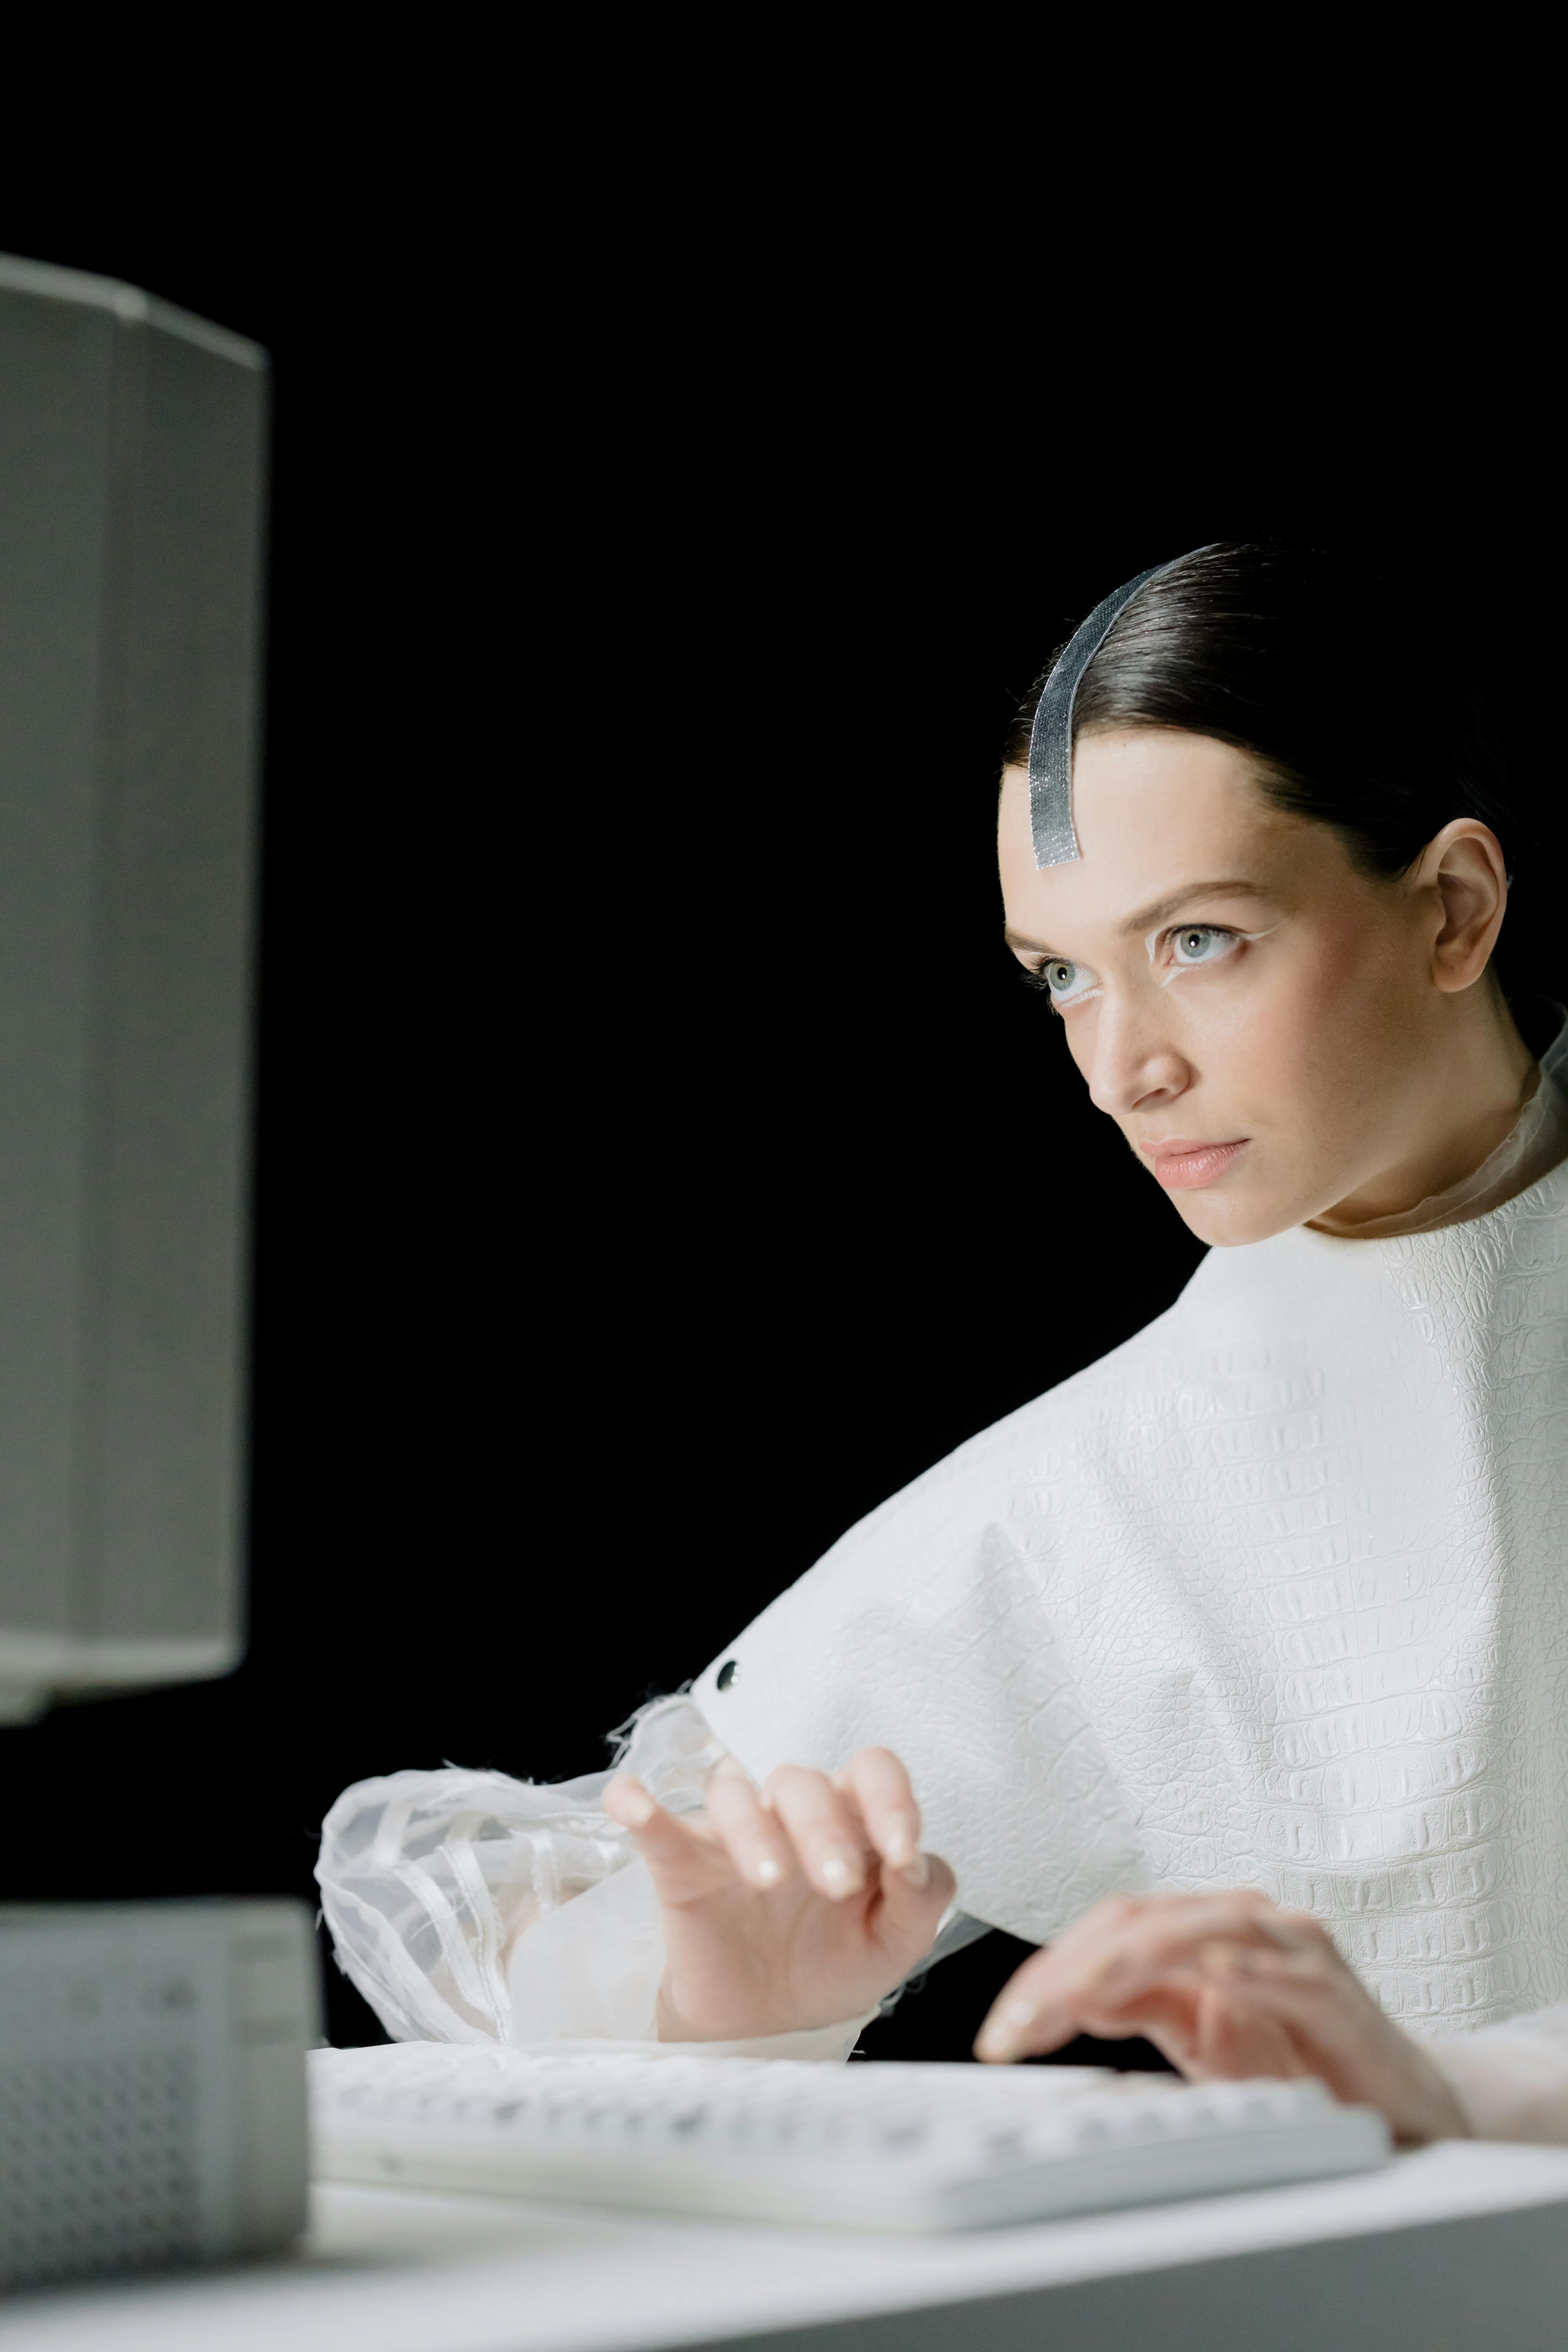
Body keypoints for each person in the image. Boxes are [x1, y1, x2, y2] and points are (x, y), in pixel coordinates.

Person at [319, 543, 1568, 2145]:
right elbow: (561, 1953)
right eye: (1061, 977)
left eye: (1197, 940)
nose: (1122, 1071)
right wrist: (718, 2004)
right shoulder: (1091, 1505)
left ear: (1453, 908)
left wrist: (1456, 2088)